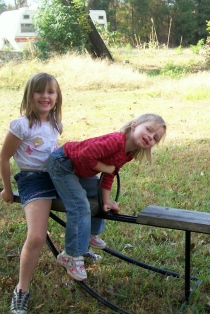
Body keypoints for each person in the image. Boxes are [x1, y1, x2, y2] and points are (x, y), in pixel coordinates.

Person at [46, 113, 166, 282]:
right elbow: (84, 156)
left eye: (155, 138)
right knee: (80, 205)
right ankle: (70, 255)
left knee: (98, 197)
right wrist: (106, 168)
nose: (150, 137)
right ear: (134, 125)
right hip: (63, 164)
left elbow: (110, 174)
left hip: (79, 170)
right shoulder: (116, 141)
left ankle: (89, 234)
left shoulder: (129, 153)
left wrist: (107, 200)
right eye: (148, 129)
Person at [0, 73, 62, 314]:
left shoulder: (56, 123)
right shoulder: (21, 125)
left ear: (57, 97)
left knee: (91, 197)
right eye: (39, 91)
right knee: (36, 237)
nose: (45, 96)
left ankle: (79, 249)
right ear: (29, 95)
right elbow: (4, 157)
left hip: (56, 176)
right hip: (32, 179)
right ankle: (21, 290)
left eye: (50, 92)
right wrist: (6, 188)